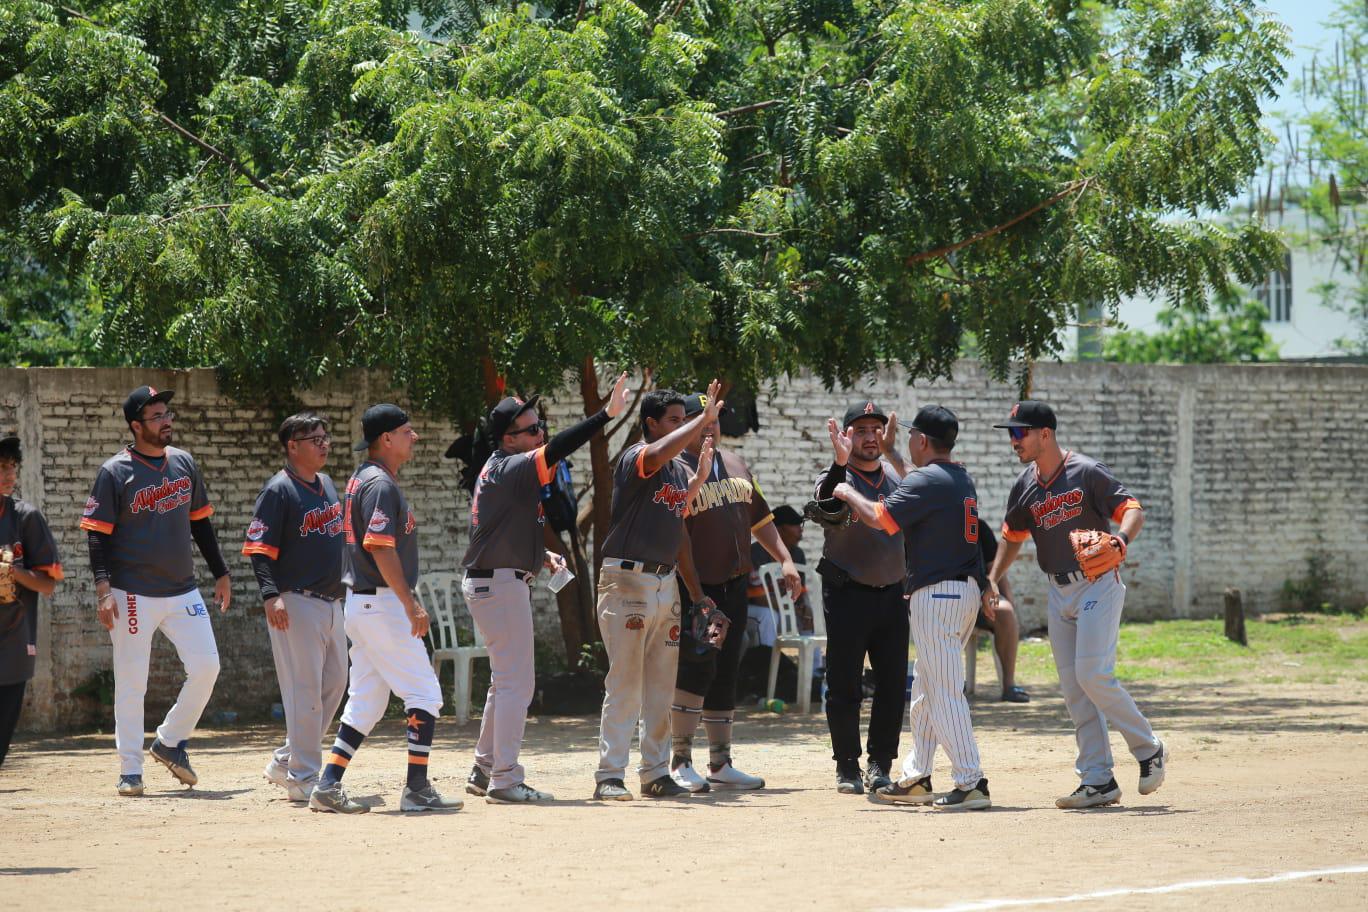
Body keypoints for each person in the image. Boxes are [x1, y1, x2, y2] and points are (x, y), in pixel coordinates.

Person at [460, 373, 632, 804]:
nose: (541, 434)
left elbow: (498, 531)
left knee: (505, 683)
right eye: (532, 429)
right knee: (518, 683)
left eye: (542, 427)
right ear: (510, 439)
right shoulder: (514, 465)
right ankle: (505, 778)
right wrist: (605, 415)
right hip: (498, 586)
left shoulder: (500, 470)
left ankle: (485, 769)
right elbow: (560, 449)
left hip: (493, 580)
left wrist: (538, 557)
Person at [987, 400, 1166, 809]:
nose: (1014, 441)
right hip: (1057, 590)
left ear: (1044, 434)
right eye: (1012, 434)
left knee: (1092, 674)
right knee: (1073, 689)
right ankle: (1098, 779)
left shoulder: (1085, 471)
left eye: (1020, 432)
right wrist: (993, 578)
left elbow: (1132, 508)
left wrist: (1120, 540)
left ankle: (1148, 748)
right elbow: (1013, 537)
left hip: (1097, 583)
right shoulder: (1025, 486)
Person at [835, 405, 993, 811]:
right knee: (925, 688)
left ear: (922, 440)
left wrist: (847, 490)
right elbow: (916, 487)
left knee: (942, 692)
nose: (903, 441)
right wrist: (891, 454)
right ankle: (917, 776)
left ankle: (971, 781)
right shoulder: (956, 478)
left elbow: (881, 517)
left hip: (937, 596)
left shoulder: (930, 481)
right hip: (961, 593)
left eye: (908, 436)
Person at [309, 404, 462, 814]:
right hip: (381, 603)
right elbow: (379, 546)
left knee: (368, 702)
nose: (415, 438)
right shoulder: (379, 484)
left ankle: (327, 785)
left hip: (364, 604)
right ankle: (417, 789)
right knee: (425, 693)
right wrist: (411, 603)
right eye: (407, 431)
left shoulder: (365, 478)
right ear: (387, 439)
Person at [80, 386, 231, 796]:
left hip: (183, 590)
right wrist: (103, 590)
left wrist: (220, 572)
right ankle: (130, 769)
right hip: (132, 593)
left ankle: (168, 741)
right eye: (157, 416)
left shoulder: (183, 463)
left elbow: (200, 522)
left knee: (207, 668)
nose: (166, 421)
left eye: (168, 413)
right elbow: (96, 535)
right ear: (136, 425)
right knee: (132, 682)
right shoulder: (115, 472)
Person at [593, 383, 720, 801]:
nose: (682, 427)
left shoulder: (677, 472)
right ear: (651, 424)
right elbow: (659, 452)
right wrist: (702, 422)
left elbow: (678, 533)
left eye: (685, 420)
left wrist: (698, 594)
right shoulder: (637, 457)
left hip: (665, 583)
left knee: (662, 686)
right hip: (627, 580)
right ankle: (610, 775)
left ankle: (654, 773)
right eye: (674, 420)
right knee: (626, 683)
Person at [669, 392, 801, 793]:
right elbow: (675, 535)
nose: (711, 427)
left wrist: (785, 559)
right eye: (701, 421)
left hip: (734, 583)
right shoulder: (676, 469)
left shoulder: (736, 464)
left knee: (726, 668)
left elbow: (761, 519)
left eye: (715, 421)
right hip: (698, 586)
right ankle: (679, 760)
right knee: (695, 668)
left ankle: (720, 762)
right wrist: (695, 593)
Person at [243, 413, 347, 803]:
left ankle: (287, 759)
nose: (324, 443)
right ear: (292, 446)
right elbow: (258, 549)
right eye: (314, 438)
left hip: (333, 601)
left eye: (325, 436)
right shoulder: (278, 491)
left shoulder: (327, 485)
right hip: (296, 600)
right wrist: (271, 595)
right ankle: (304, 777)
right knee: (305, 691)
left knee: (336, 682)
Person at [814, 401, 910, 795]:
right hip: (847, 592)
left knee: (891, 685)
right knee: (845, 684)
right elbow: (827, 506)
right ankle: (847, 765)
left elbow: (921, 488)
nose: (870, 437)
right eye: (861, 430)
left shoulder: (896, 476)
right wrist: (839, 464)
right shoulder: (834, 476)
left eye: (876, 430)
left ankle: (880, 763)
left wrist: (894, 451)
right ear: (847, 436)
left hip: (893, 595)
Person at [0, 435, 62, 768]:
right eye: (1, 467)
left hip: (12, 643)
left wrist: (13, 571)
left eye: (12, 466)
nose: (9, 474)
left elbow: (48, 585)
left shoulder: (25, 518)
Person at [974, 525, 1029, 703]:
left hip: (980, 596)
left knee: (1005, 611)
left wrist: (1009, 601)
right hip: (943, 597)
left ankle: (1009, 685)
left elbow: (997, 572)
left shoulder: (979, 527)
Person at [745, 505, 807, 649]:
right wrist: (790, 608)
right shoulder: (755, 553)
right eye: (794, 525)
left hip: (783, 608)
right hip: (753, 609)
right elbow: (758, 598)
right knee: (768, 615)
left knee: (808, 616)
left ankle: (815, 669)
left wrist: (805, 609)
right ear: (778, 530)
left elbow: (801, 593)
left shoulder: (797, 554)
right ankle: (768, 665)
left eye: (800, 524)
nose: (800, 529)